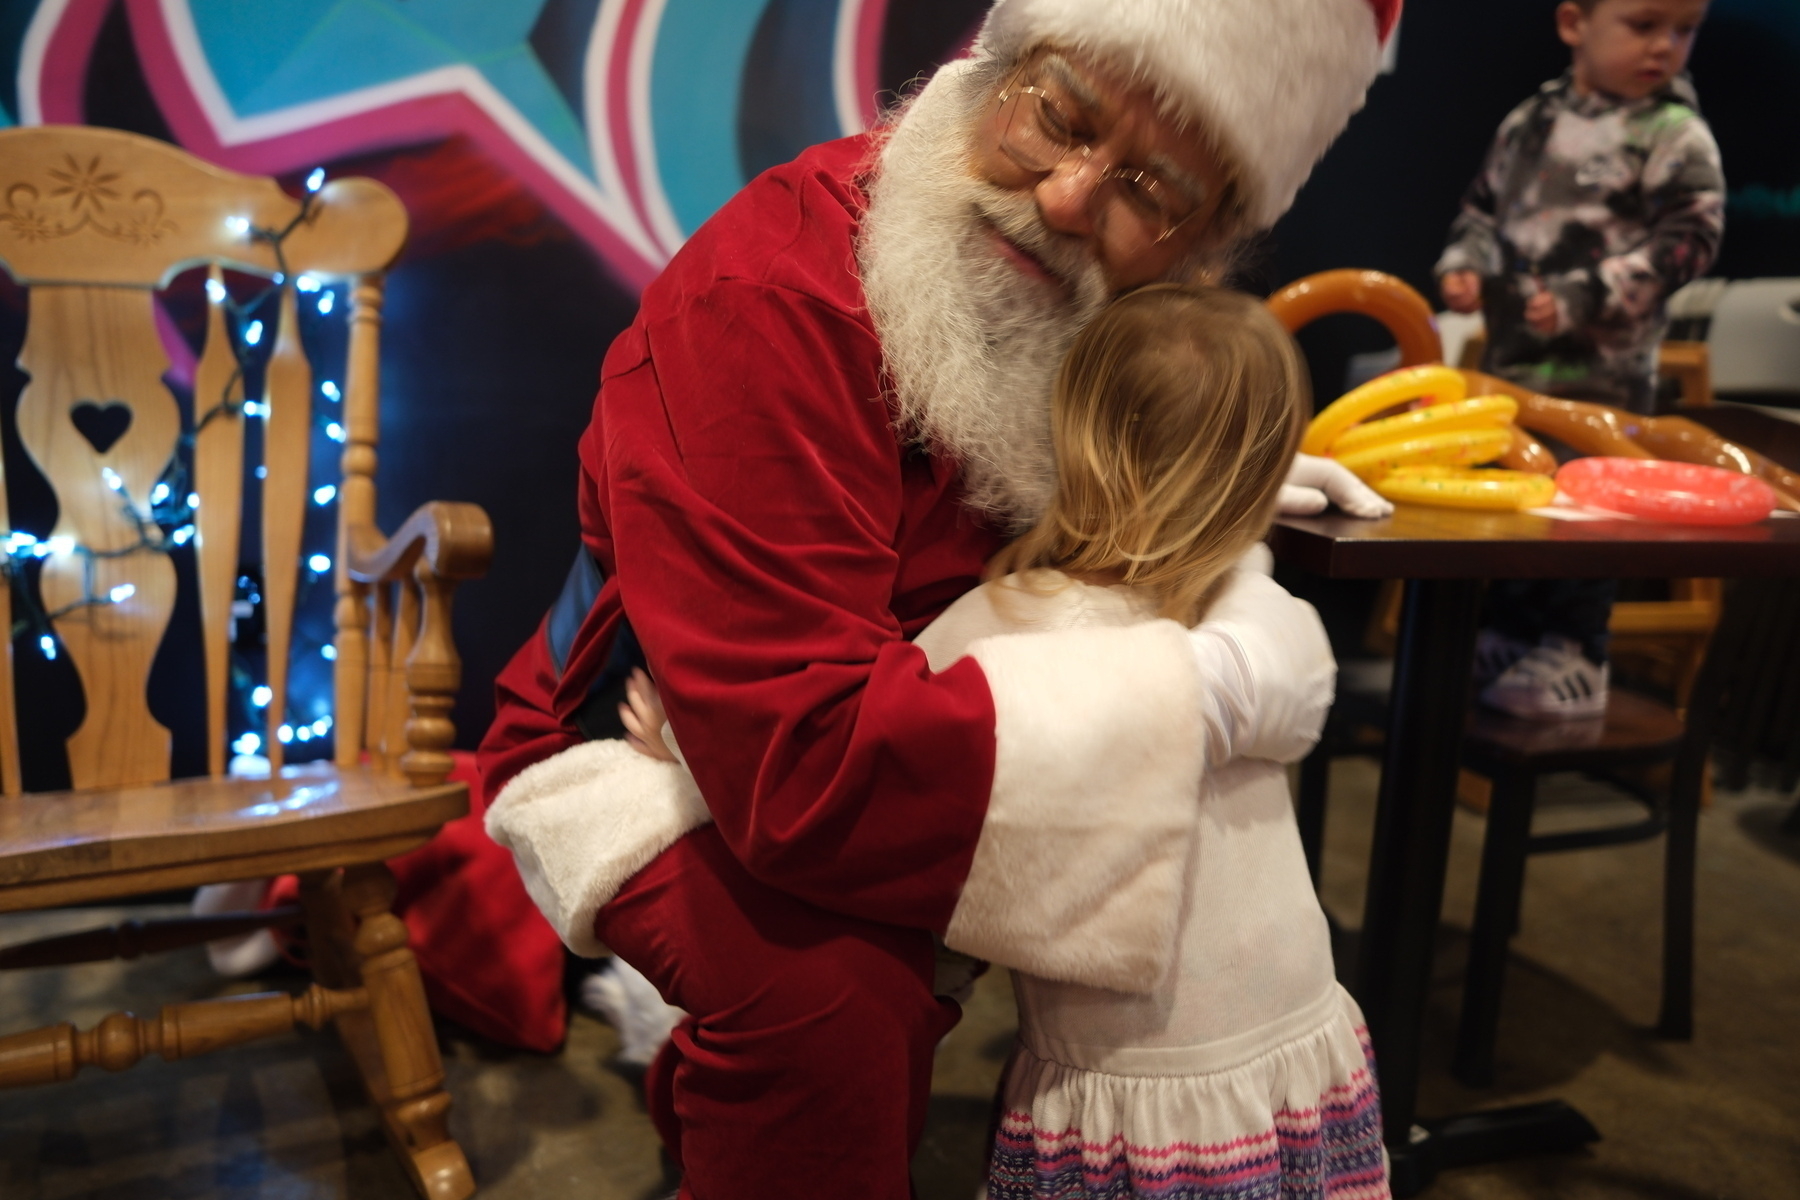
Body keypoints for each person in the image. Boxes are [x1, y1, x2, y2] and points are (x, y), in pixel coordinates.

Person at [479, 1, 1401, 1195]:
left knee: (1217, 897)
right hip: (648, 746)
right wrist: (1194, 692)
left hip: (902, 727)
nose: (1070, 196)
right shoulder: (771, 299)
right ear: (985, 70)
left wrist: (1210, 488)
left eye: (1150, 190)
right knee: (829, 1001)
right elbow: (800, 768)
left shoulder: (1093, 309)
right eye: (1056, 114)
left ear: (1200, 248)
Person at [610, 286, 1386, 1196]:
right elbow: (1274, 648)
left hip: (1123, 1106)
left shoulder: (988, 633)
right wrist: (1243, 504)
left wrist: (695, 758)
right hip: (1301, 1057)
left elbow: (854, 763)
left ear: (1064, 436)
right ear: (1256, 479)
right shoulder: (1257, 613)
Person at [1436, 0, 1723, 720]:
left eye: (1684, 31)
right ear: (1573, 24)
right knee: (1517, 500)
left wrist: (1587, 293)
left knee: (1589, 509)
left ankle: (1577, 651)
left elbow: (1692, 238)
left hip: (1605, 379)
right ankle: (1508, 635)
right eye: (1644, 24)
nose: (1665, 46)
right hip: (1513, 370)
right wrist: (1464, 266)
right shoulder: (1527, 122)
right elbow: (1479, 210)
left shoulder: (1675, 133)